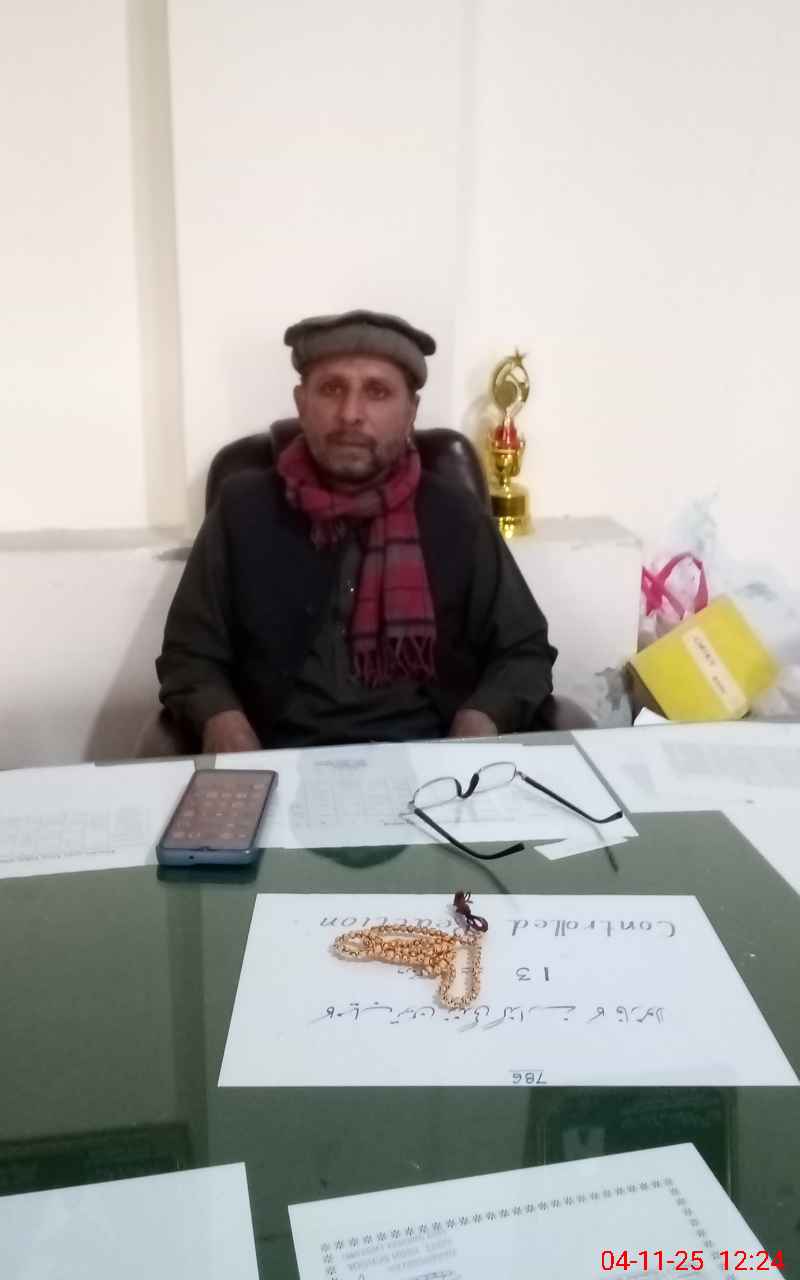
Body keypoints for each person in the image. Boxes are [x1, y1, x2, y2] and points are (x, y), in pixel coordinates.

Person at [156, 309, 557, 754]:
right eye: (331, 389)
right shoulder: (242, 509)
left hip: (429, 759)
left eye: (377, 391)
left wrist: (480, 720)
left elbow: (523, 650)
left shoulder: (454, 514)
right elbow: (189, 656)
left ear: (411, 411)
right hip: (279, 756)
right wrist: (224, 724)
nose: (350, 414)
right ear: (301, 403)